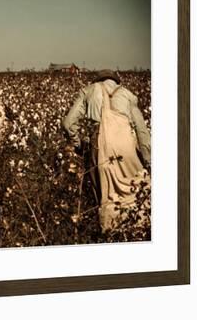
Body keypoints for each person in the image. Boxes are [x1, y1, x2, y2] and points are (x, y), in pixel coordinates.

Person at [62, 69, 151, 231]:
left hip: (100, 144)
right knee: (136, 188)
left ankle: (110, 233)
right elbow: (142, 131)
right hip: (126, 144)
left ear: (98, 80)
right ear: (116, 81)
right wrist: (148, 160)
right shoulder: (127, 94)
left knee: (105, 196)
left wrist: (79, 145)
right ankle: (136, 231)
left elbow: (68, 124)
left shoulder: (88, 91)